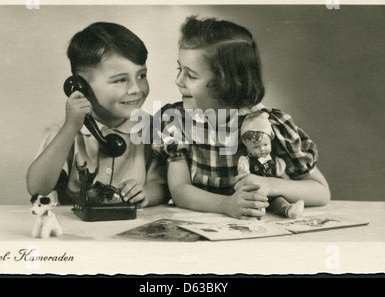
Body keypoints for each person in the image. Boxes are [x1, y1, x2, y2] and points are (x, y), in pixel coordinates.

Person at [153, 16, 330, 219]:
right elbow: (179, 190)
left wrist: (270, 185)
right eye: (179, 70)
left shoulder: (267, 125)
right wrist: (226, 205)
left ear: (227, 82)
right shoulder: (176, 121)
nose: (178, 81)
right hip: (204, 223)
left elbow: (321, 191)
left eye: (191, 75)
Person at [27, 22, 168, 208]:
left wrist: (146, 194)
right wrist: (70, 128)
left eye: (141, 75)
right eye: (120, 80)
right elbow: (38, 188)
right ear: (82, 86)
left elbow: (161, 185)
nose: (136, 89)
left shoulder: (153, 129)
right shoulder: (65, 131)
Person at [237, 111, 304, 219]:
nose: (262, 149)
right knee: (255, 201)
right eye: (256, 147)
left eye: (265, 144)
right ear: (247, 147)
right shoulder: (247, 160)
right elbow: (244, 178)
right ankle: (256, 212)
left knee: (279, 199)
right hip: (256, 192)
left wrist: (281, 179)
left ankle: (289, 210)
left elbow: (280, 174)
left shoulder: (274, 159)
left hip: (272, 192)